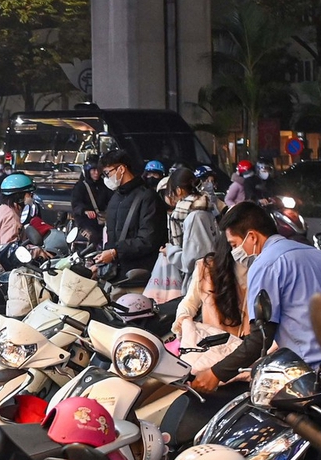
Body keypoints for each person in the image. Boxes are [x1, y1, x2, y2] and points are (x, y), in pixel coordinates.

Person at [189, 202, 321, 396]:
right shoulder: (319, 255)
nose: (234, 253)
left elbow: (260, 339)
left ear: (252, 236)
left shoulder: (265, 264)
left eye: (234, 245)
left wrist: (215, 373)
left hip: (316, 375)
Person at [174, 220, 251, 373]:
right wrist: (186, 324)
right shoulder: (207, 268)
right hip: (212, 352)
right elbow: (189, 303)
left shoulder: (264, 270)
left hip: (248, 355)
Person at [91, 148, 166, 283]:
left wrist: (115, 252)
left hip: (139, 275)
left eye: (107, 173)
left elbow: (148, 240)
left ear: (122, 169)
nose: (106, 179)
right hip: (115, 275)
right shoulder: (115, 198)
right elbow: (112, 236)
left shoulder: (148, 197)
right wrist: (102, 263)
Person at [150, 167, 217, 304]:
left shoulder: (195, 217)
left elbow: (193, 261)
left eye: (170, 192)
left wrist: (170, 251)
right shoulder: (207, 209)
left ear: (179, 191)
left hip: (200, 287)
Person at [0, 173, 32, 256]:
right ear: (19, 196)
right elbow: (11, 250)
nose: (32, 197)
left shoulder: (1, 209)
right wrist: (37, 252)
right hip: (2, 267)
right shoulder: (11, 216)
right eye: (29, 194)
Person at [69, 159, 112, 249]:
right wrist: (85, 211)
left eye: (98, 170)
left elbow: (111, 200)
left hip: (102, 220)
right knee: (93, 236)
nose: (96, 173)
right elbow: (76, 204)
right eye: (93, 170)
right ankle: (89, 258)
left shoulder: (104, 186)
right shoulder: (80, 186)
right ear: (88, 171)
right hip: (84, 221)